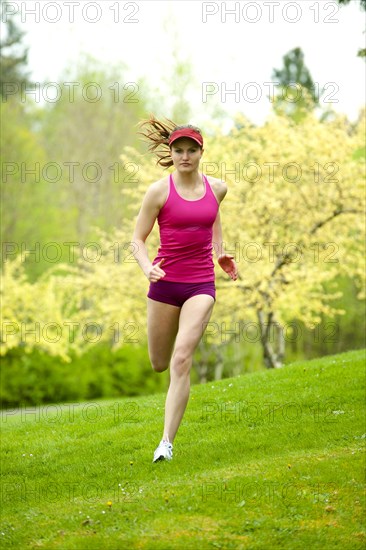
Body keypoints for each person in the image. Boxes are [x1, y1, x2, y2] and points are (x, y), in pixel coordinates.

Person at [131, 115, 238, 462]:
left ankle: (166, 442)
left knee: (181, 358)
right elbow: (137, 240)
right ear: (171, 153)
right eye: (179, 150)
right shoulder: (158, 192)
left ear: (201, 152)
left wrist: (220, 254)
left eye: (192, 150)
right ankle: (166, 439)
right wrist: (148, 268)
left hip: (200, 284)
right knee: (160, 362)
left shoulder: (217, 187)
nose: (185, 156)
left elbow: (212, 216)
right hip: (164, 284)